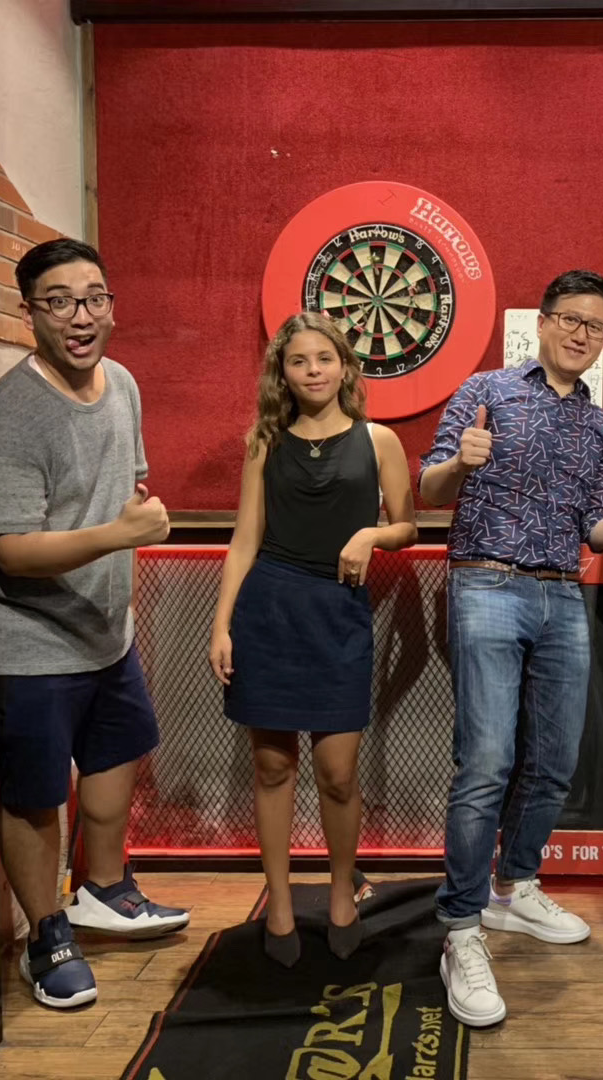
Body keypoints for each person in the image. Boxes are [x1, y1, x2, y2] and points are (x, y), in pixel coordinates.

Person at [419, 270, 603, 1026]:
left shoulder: (598, 426)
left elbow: (595, 529)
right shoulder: (486, 389)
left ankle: (513, 887)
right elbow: (430, 489)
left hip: (563, 593)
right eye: (570, 319)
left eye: (596, 326)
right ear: (544, 322)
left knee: (555, 761)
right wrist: (461, 462)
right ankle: (461, 928)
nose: (581, 334)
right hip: (486, 583)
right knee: (487, 761)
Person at [0, 237, 189, 1010]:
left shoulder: (123, 383)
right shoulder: (10, 412)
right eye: (61, 301)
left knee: (115, 760)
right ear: (30, 312)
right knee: (37, 797)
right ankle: (48, 934)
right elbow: (11, 549)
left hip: (109, 633)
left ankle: (103, 889)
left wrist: (127, 517)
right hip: (33, 644)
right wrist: (119, 535)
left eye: (95, 298)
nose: (81, 316)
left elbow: (125, 485)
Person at [208, 312, 417, 966]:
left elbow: (408, 526)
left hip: (339, 613)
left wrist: (371, 534)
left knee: (337, 773)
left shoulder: (378, 440)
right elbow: (245, 538)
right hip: (269, 610)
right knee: (273, 768)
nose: (313, 371)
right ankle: (277, 904)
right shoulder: (265, 441)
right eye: (299, 361)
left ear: (345, 366)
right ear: (284, 373)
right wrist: (221, 624)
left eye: (324, 358)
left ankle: (340, 894)